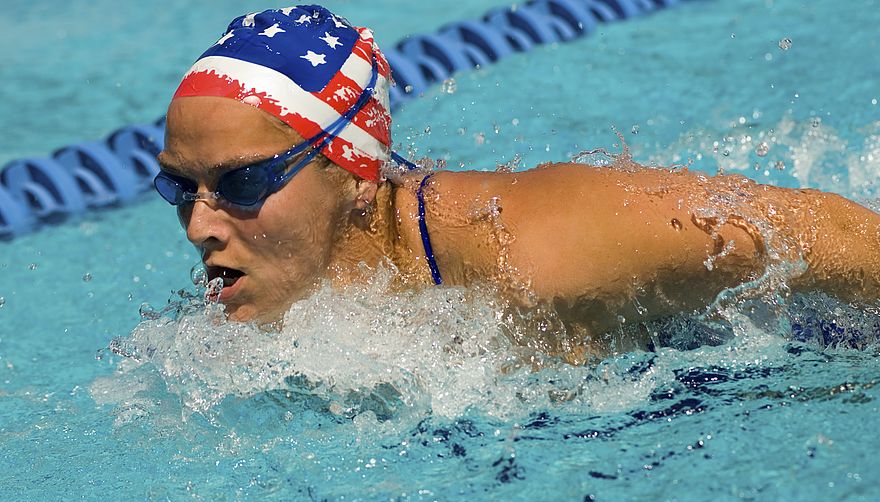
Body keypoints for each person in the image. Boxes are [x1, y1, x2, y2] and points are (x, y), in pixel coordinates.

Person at [155, 5, 880, 336]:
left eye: (242, 183)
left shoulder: (541, 247)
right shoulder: (258, 311)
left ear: (355, 176)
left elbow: (820, 234)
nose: (198, 225)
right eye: (181, 188)